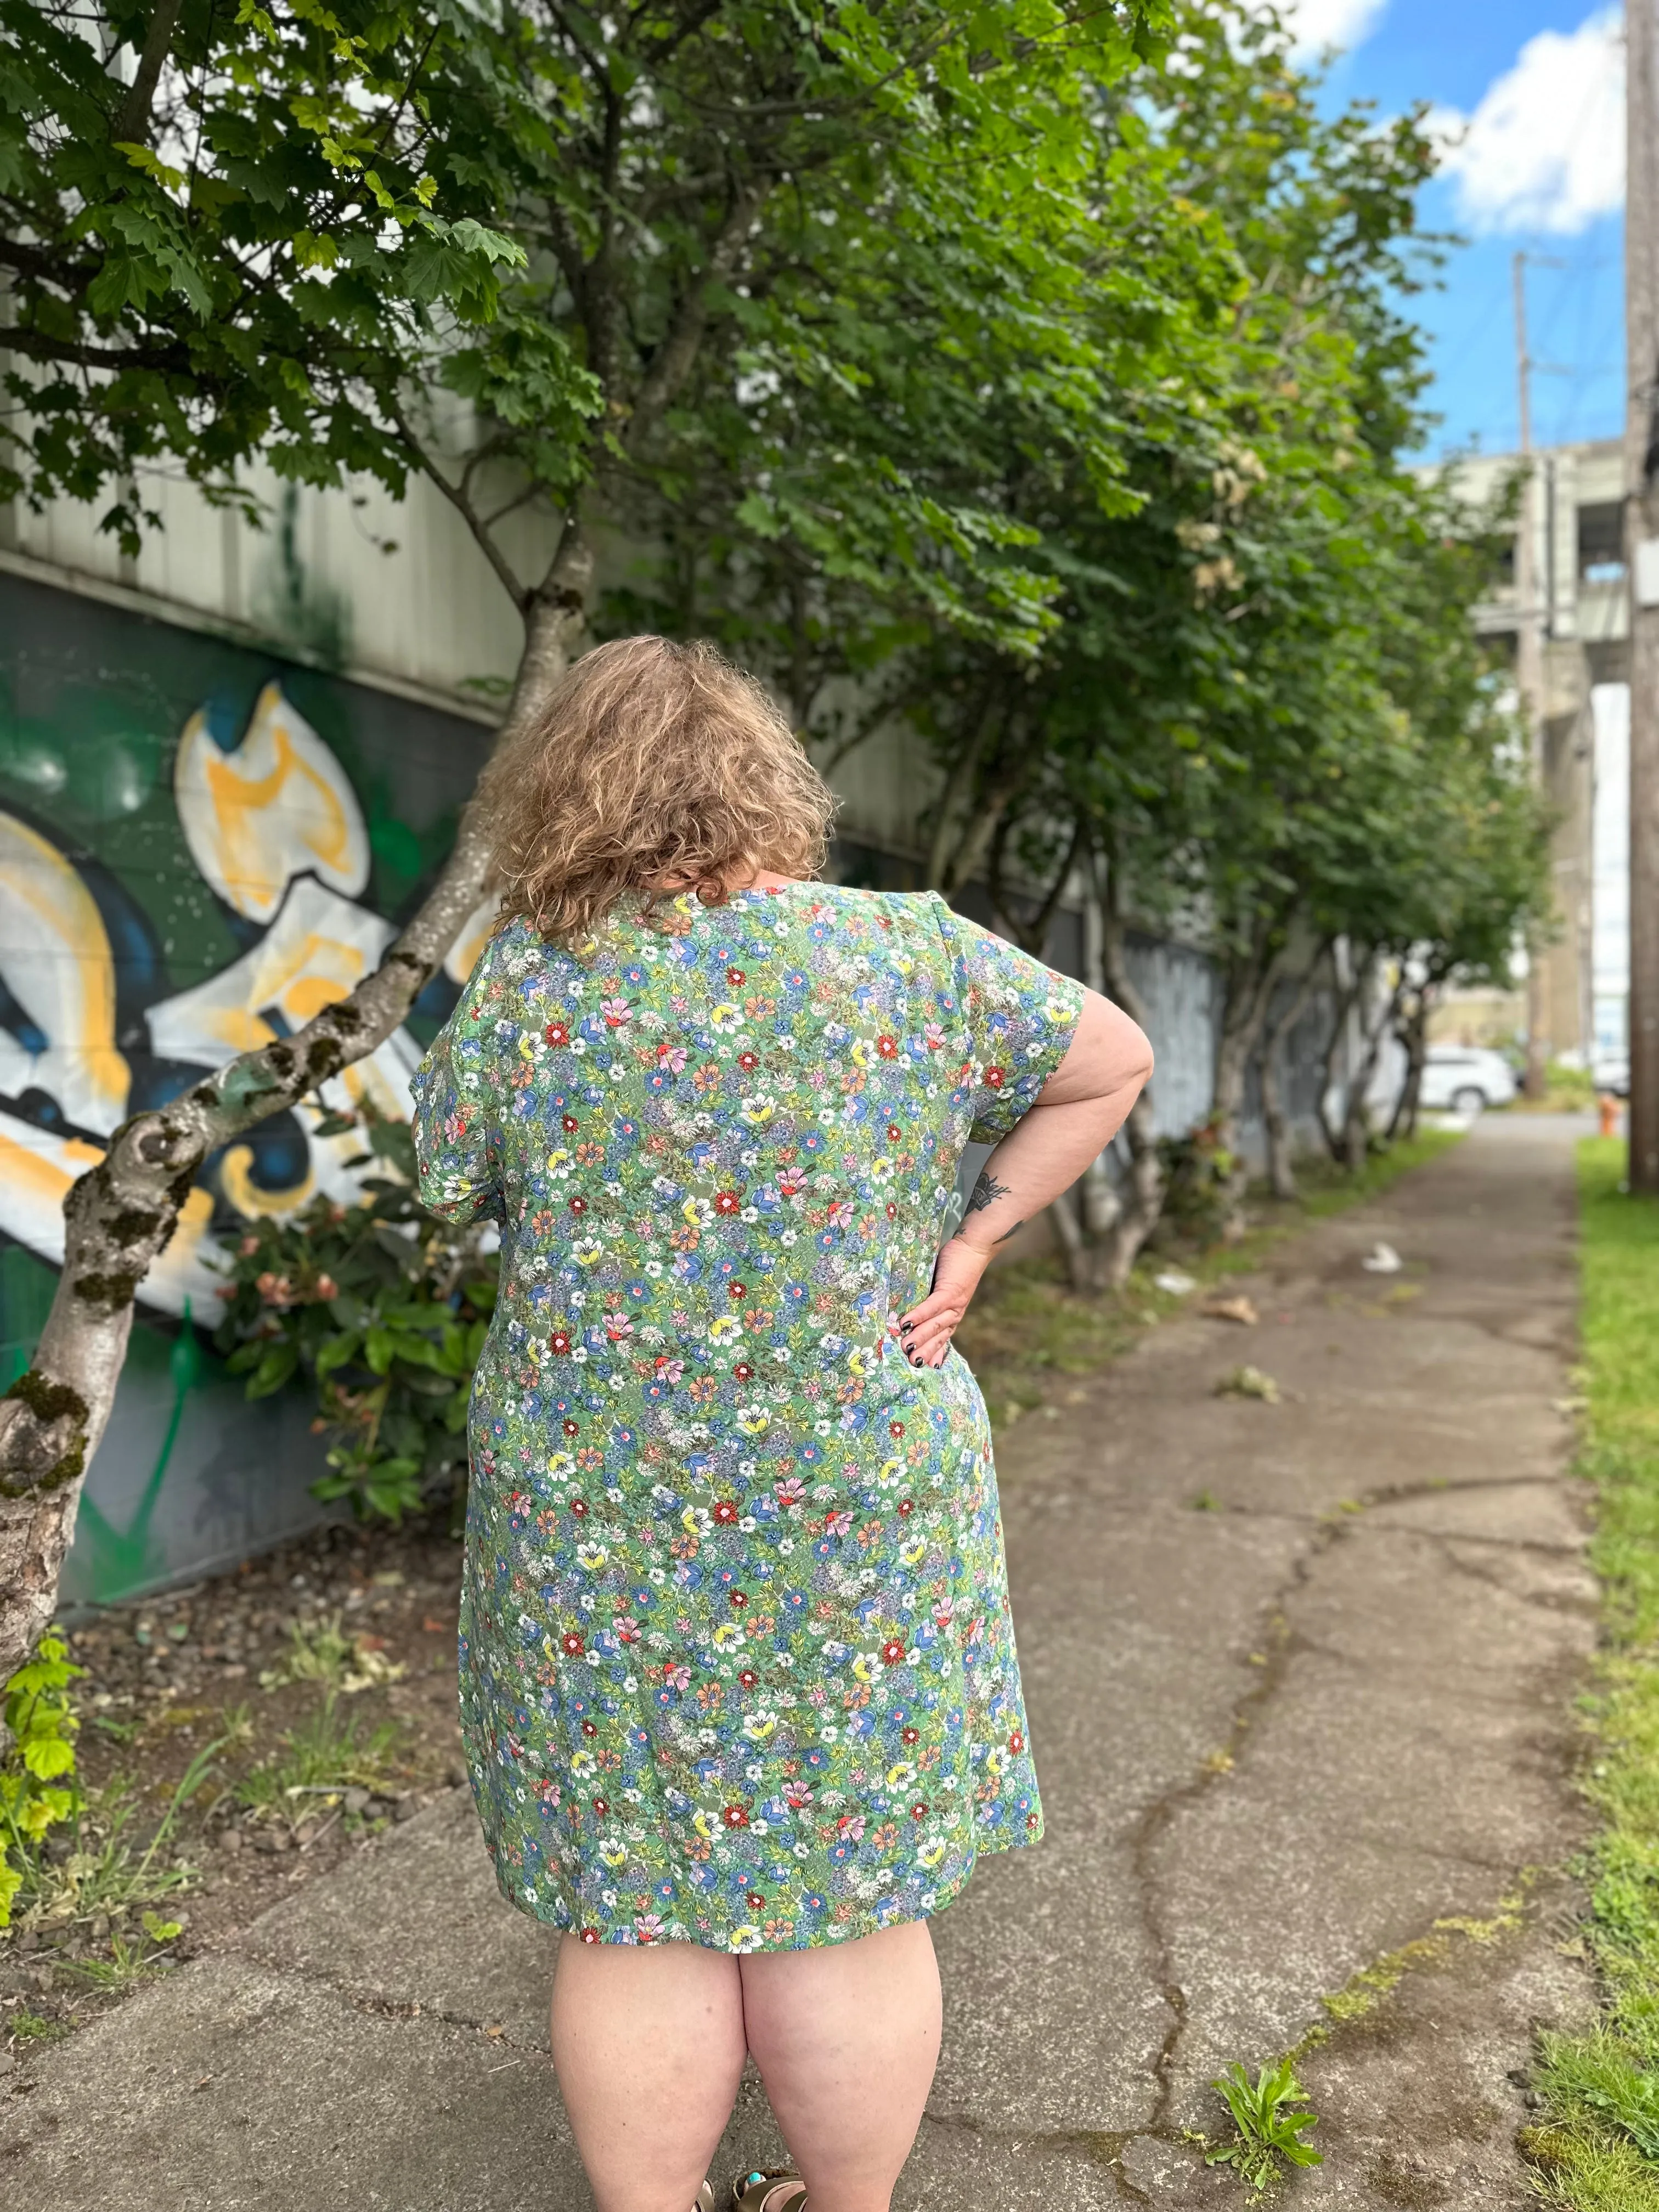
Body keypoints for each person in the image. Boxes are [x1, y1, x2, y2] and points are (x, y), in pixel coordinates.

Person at [411, 636, 1154, 2212]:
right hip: (856, 1503)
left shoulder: (539, 982)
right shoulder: (912, 957)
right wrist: (972, 1240)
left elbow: (442, 1181)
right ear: (768, 785)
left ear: (567, 797)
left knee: (633, 1903)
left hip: (598, 1507)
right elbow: (1116, 1063)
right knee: (851, 1897)